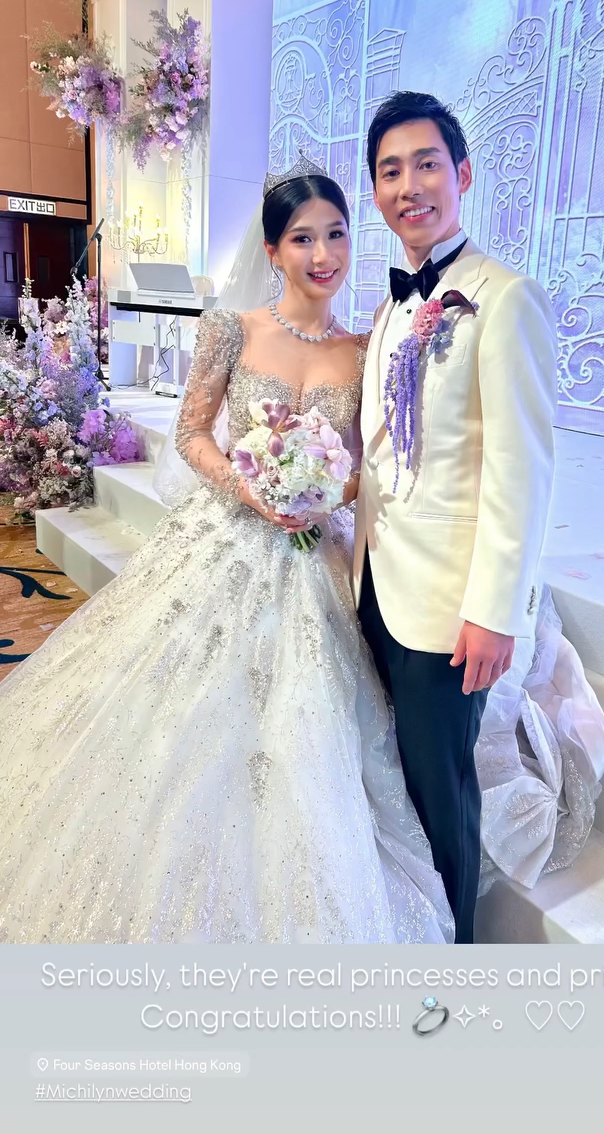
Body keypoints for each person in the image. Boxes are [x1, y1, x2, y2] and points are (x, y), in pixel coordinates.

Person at [0, 159, 454, 945]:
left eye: (336, 234)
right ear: (272, 250)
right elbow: (191, 433)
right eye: (302, 238)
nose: (323, 254)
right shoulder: (231, 329)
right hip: (225, 539)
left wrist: (323, 494)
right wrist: (253, 487)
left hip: (313, 556)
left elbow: (368, 464)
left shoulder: (364, 348)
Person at [354, 91, 604, 943]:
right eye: (390, 171)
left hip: (447, 609)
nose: (409, 186)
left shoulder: (506, 299)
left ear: (462, 175)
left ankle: (455, 965)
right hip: (375, 585)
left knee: (443, 796)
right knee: (395, 784)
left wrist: (496, 612)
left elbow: (521, 470)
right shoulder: (389, 309)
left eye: (426, 164)